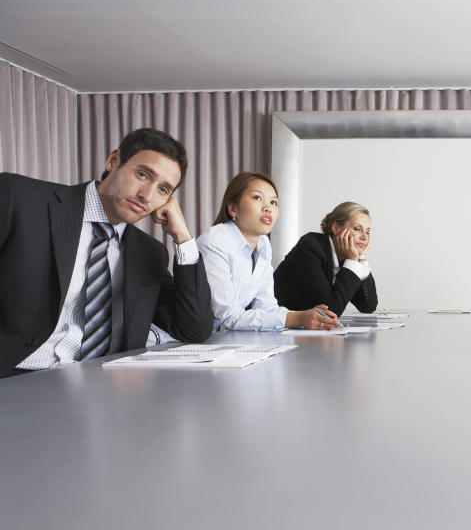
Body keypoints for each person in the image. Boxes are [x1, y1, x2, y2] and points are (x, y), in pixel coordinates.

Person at [0, 128, 213, 378]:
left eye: (163, 190)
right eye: (142, 174)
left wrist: (183, 239)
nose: (147, 196)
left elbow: (193, 329)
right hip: (15, 376)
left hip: (105, 387)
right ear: (114, 161)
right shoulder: (19, 197)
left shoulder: (149, 252)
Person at [196, 173, 340, 332]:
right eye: (257, 198)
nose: (268, 208)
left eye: (273, 202)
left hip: (209, 338)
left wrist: (305, 315)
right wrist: (298, 318)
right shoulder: (215, 241)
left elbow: (266, 307)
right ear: (233, 208)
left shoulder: (263, 244)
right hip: (175, 339)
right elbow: (230, 316)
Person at [274, 201, 377, 316]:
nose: (364, 237)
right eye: (357, 229)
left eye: (368, 231)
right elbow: (328, 312)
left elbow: (368, 307)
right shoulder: (310, 247)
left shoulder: (346, 256)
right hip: (272, 326)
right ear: (336, 228)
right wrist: (353, 261)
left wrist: (361, 258)